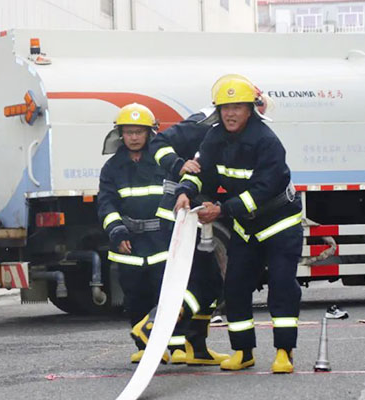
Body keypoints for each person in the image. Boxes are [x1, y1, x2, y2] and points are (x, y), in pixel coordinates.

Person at [174, 75, 303, 373]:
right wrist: (185, 191)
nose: (230, 114)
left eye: (237, 108)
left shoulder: (267, 141)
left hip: (279, 224)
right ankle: (243, 352)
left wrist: (221, 210)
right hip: (246, 226)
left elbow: (263, 190)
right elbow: (201, 171)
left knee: (282, 287)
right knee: (235, 287)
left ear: (250, 110)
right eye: (225, 108)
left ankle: (284, 352)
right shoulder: (214, 137)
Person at [131, 107, 229, 366]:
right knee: (198, 282)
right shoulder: (202, 123)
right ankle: (152, 325)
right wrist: (178, 164)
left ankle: (196, 347)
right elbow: (159, 143)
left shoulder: (227, 132)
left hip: (193, 211)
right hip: (181, 214)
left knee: (211, 284)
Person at [97, 103, 173, 364]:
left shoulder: (163, 161)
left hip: (161, 241)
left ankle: (171, 345)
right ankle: (144, 347)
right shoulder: (112, 168)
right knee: (135, 296)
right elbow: (106, 204)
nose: (133, 137)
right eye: (128, 132)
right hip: (129, 244)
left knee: (164, 294)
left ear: (149, 133)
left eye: (139, 132)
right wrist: (117, 232)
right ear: (120, 134)